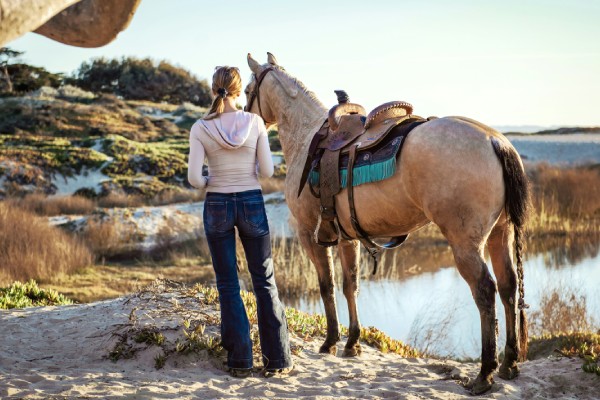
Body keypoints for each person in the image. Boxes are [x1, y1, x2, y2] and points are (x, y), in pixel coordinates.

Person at [187, 66, 293, 377]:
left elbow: (194, 179)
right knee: (264, 281)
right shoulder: (256, 122)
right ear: (237, 91)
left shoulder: (200, 127)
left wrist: (213, 179)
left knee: (228, 284)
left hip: (218, 203)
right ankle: (278, 361)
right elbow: (267, 171)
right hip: (251, 202)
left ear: (213, 90)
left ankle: (240, 361)